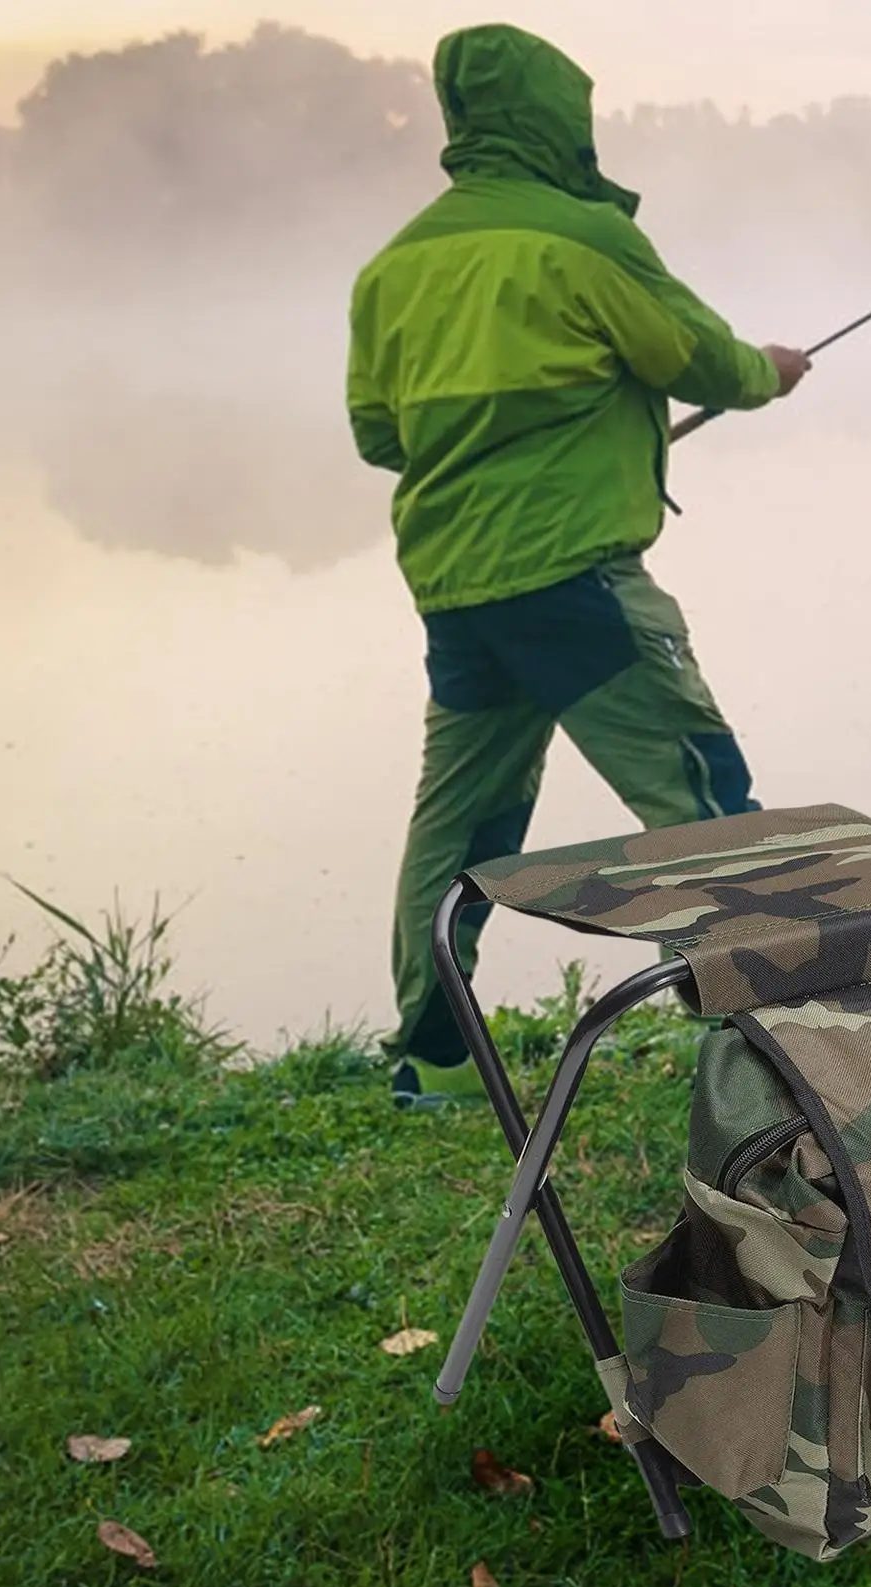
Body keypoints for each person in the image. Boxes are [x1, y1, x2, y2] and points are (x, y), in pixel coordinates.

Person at [345, 22, 812, 1108]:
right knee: (701, 800)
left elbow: (381, 436)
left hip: (457, 587)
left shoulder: (394, 266)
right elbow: (704, 360)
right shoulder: (583, 240)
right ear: (561, 118)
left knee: (460, 826)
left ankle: (433, 1060)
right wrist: (773, 369)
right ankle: (777, 1054)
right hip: (573, 581)